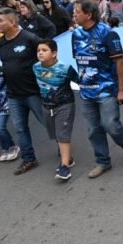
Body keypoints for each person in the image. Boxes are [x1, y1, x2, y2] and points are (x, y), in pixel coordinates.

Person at [72, 0, 123, 179]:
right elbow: (79, 61)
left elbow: (119, 61)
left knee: (110, 124)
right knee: (93, 129)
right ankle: (103, 161)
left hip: (107, 89)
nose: (74, 15)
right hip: (86, 91)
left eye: (77, 11)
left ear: (89, 14)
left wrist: (122, 89)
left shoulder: (107, 33)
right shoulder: (75, 35)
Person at [0, 8, 44, 175]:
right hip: (14, 95)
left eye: (1, 20)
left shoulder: (30, 39)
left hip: (33, 92)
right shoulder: (0, 43)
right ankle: (29, 159)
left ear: (13, 22)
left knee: (48, 123)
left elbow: (47, 56)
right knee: (20, 129)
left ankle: (64, 152)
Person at [33, 39, 79, 181]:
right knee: (55, 134)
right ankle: (67, 156)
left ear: (54, 53)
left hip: (65, 105)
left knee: (62, 134)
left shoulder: (65, 68)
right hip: (46, 106)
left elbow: (79, 80)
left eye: (44, 50)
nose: (40, 53)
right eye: (39, 50)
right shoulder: (35, 67)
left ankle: (64, 167)